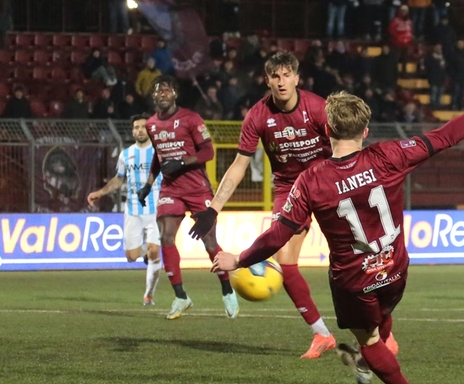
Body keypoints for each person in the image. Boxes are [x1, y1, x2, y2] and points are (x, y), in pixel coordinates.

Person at [211, 75, 464, 384]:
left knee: (368, 340)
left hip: (354, 283)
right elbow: (447, 135)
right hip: (395, 272)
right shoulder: (389, 155)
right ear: (365, 130)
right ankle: (377, 349)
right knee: (381, 318)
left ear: (327, 130)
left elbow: (278, 234)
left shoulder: (311, 180)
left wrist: (238, 259)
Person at [206, 52, 339, 359]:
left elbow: (343, 148)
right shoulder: (257, 116)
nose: (281, 82)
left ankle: (383, 332)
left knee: (351, 258)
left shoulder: (318, 108)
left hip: (326, 184)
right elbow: (240, 164)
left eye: (286, 75)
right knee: (287, 263)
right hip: (290, 190)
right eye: (275, 77)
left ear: (297, 78)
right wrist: (214, 207)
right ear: (267, 81)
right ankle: (322, 335)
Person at [138, 75, 237, 320]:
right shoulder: (151, 124)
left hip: (197, 188)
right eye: (158, 91)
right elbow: (158, 158)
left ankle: (227, 289)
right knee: (166, 235)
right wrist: (148, 185)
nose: (162, 94)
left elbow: (208, 151)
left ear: (175, 95)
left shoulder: (191, 118)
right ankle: (181, 296)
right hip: (171, 190)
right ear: (153, 96)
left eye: (167, 90)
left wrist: (181, 162)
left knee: (209, 242)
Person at [86, 115, 163, 305]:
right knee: (131, 256)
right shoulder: (126, 154)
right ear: (132, 131)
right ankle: (145, 253)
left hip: (156, 209)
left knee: (155, 251)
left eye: (143, 127)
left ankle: (148, 295)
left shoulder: (158, 152)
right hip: (132, 210)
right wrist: (101, 192)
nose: (139, 130)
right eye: (136, 127)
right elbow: (119, 179)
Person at [423, 44, 447, 110]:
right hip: (433, 78)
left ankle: (438, 105)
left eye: (440, 49)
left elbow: (445, 68)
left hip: (441, 79)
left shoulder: (443, 58)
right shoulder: (430, 58)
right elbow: (428, 67)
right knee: (434, 92)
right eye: (438, 48)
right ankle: (433, 106)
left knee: (440, 93)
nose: (439, 50)